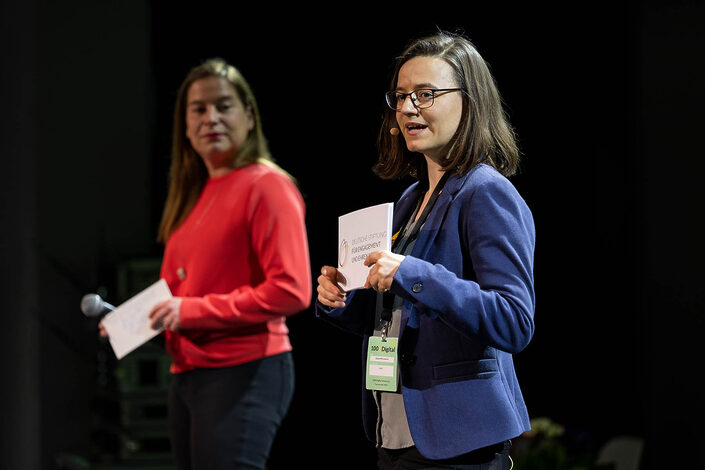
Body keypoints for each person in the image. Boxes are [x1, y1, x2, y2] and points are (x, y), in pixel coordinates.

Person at [316, 31, 535, 470]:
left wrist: (415, 273)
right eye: (400, 96)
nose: (408, 107)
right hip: (395, 433)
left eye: (426, 94)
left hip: (459, 440)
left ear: (469, 102)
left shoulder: (487, 192)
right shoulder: (409, 201)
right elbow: (391, 313)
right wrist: (341, 299)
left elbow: (514, 321)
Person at [103, 58, 311, 469]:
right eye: (198, 109)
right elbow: (179, 292)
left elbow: (292, 289)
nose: (210, 117)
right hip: (188, 374)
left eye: (223, 105)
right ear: (184, 124)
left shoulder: (266, 185)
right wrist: (129, 320)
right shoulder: (190, 196)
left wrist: (191, 311)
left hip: (244, 370)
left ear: (249, 117)